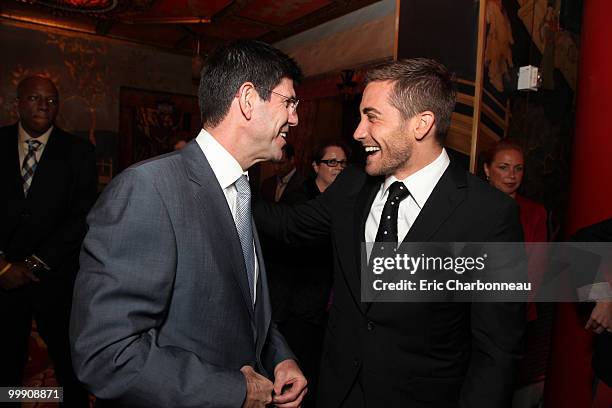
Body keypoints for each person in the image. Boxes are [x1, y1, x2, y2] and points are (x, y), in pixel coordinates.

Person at [255, 58, 526, 407]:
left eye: (372, 116)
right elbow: (288, 226)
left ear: (421, 124)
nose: (358, 132)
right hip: (338, 394)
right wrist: (229, 173)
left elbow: (497, 353)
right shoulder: (353, 184)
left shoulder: (490, 215)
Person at [70, 40, 307, 408]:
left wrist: (280, 358)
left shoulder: (241, 190)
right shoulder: (149, 189)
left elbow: (245, 304)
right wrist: (235, 392)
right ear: (247, 100)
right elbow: (106, 354)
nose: (295, 118)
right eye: (288, 102)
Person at [0, 75, 97, 407]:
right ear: (18, 103)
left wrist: (36, 262)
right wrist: (2, 266)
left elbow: (83, 214)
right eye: (35, 98)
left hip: (56, 279)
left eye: (51, 100)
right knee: (7, 364)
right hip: (3, 279)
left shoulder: (80, 152)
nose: (44, 105)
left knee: (69, 364)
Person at [264, 142, 349, 407]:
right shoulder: (299, 200)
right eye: (331, 162)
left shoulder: (347, 201)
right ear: (315, 166)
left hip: (327, 309)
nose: (338, 168)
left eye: (343, 163)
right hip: (297, 308)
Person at [483, 139, 547, 320]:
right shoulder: (471, 207)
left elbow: (536, 268)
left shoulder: (535, 213)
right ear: (487, 169)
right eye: (504, 167)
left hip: (516, 312)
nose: (512, 175)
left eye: (518, 169)